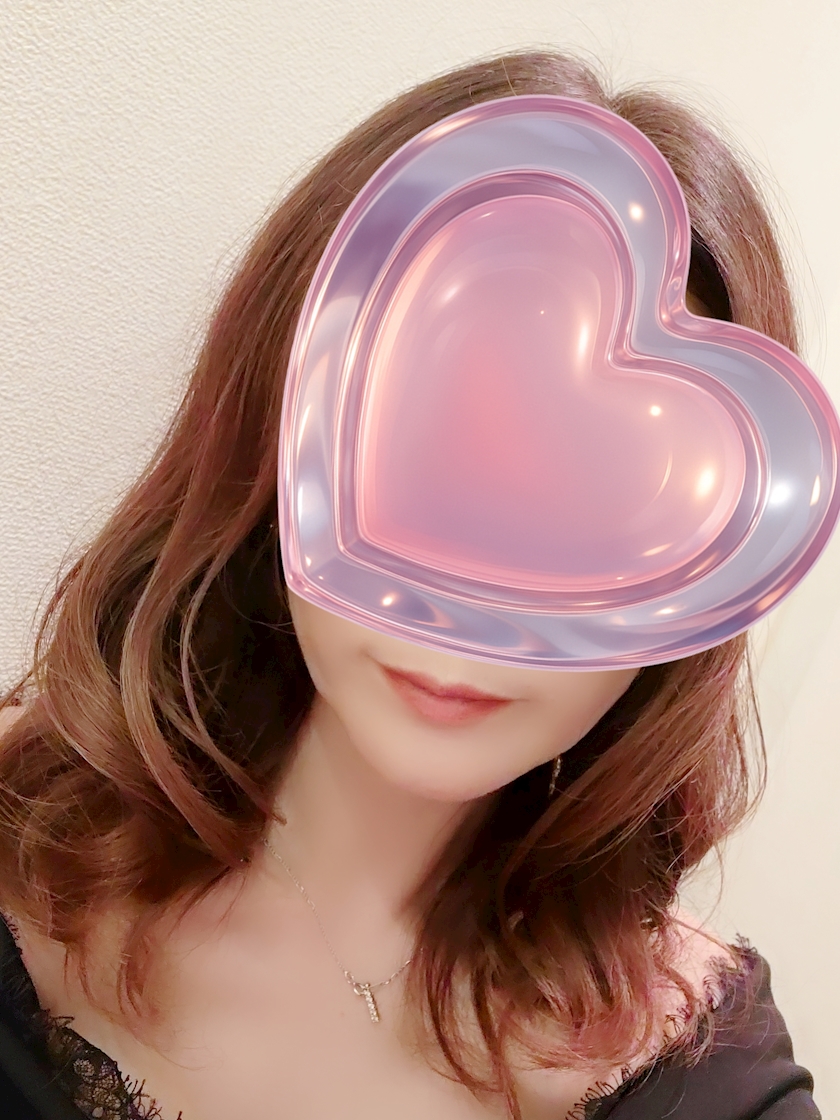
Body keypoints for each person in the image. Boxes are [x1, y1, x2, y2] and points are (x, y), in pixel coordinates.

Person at [0, 49, 822, 1120]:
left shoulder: (699, 1064)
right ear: (290, 426)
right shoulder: (22, 836)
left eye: (598, 503)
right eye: (442, 452)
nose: (467, 619)